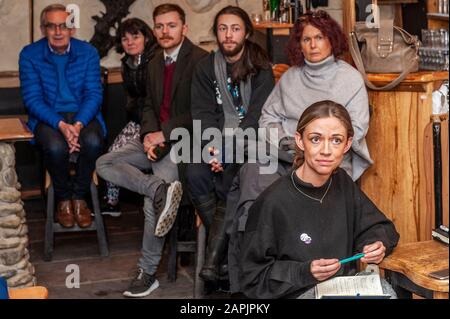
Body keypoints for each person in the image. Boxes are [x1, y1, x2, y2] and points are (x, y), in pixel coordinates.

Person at [226, 10, 373, 293]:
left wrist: (315, 146)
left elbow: (355, 129)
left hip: (326, 157)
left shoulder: (350, 78)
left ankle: (296, 274)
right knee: (252, 177)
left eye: (319, 37)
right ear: (298, 44)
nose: (313, 44)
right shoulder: (291, 78)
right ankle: (248, 270)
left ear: (332, 40)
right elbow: (267, 118)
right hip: (286, 151)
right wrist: (294, 146)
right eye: (306, 39)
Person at [96, 3, 207, 297]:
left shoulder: (201, 60)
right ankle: (157, 188)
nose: (165, 31)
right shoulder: (155, 61)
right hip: (154, 139)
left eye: (171, 25)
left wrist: (164, 134)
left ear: (184, 28)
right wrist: (147, 135)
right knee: (104, 163)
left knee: (149, 205)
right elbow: (148, 104)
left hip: (185, 142)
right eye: (160, 26)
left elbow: (201, 112)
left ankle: (147, 272)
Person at [239, 100, 400, 299]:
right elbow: (252, 278)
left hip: (343, 289)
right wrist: (305, 272)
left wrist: (376, 244)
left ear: (347, 144)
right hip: (297, 293)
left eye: (336, 140)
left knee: (389, 292)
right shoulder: (273, 202)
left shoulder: (342, 182)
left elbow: (378, 227)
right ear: (300, 140)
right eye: (315, 139)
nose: (326, 150)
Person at [186, 5, 275, 284]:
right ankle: (225, 252)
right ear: (216, 33)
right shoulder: (204, 67)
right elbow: (202, 113)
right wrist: (213, 148)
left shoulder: (261, 67)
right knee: (194, 173)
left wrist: (229, 150)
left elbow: (256, 115)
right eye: (223, 28)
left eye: (235, 28)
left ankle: (217, 258)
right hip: (214, 139)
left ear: (247, 32)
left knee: (232, 174)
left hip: (251, 139)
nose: (228, 34)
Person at [19, 4, 106, 229]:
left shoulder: (88, 52)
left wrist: (76, 125)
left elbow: (94, 94)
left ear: (72, 29)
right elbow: (32, 99)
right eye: (51, 26)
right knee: (56, 147)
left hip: (82, 114)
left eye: (64, 26)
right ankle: (63, 198)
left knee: (94, 141)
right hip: (48, 116)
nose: (58, 32)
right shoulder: (29, 54)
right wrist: (60, 125)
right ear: (43, 29)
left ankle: (79, 197)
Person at [101, 18, 159, 217]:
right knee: (113, 154)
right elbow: (133, 97)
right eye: (125, 39)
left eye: (136, 37)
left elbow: (153, 98)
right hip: (137, 119)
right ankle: (112, 202)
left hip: (155, 121)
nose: (130, 42)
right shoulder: (127, 62)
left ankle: (153, 200)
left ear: (146, 37)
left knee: (152, 158)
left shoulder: (155, 59)